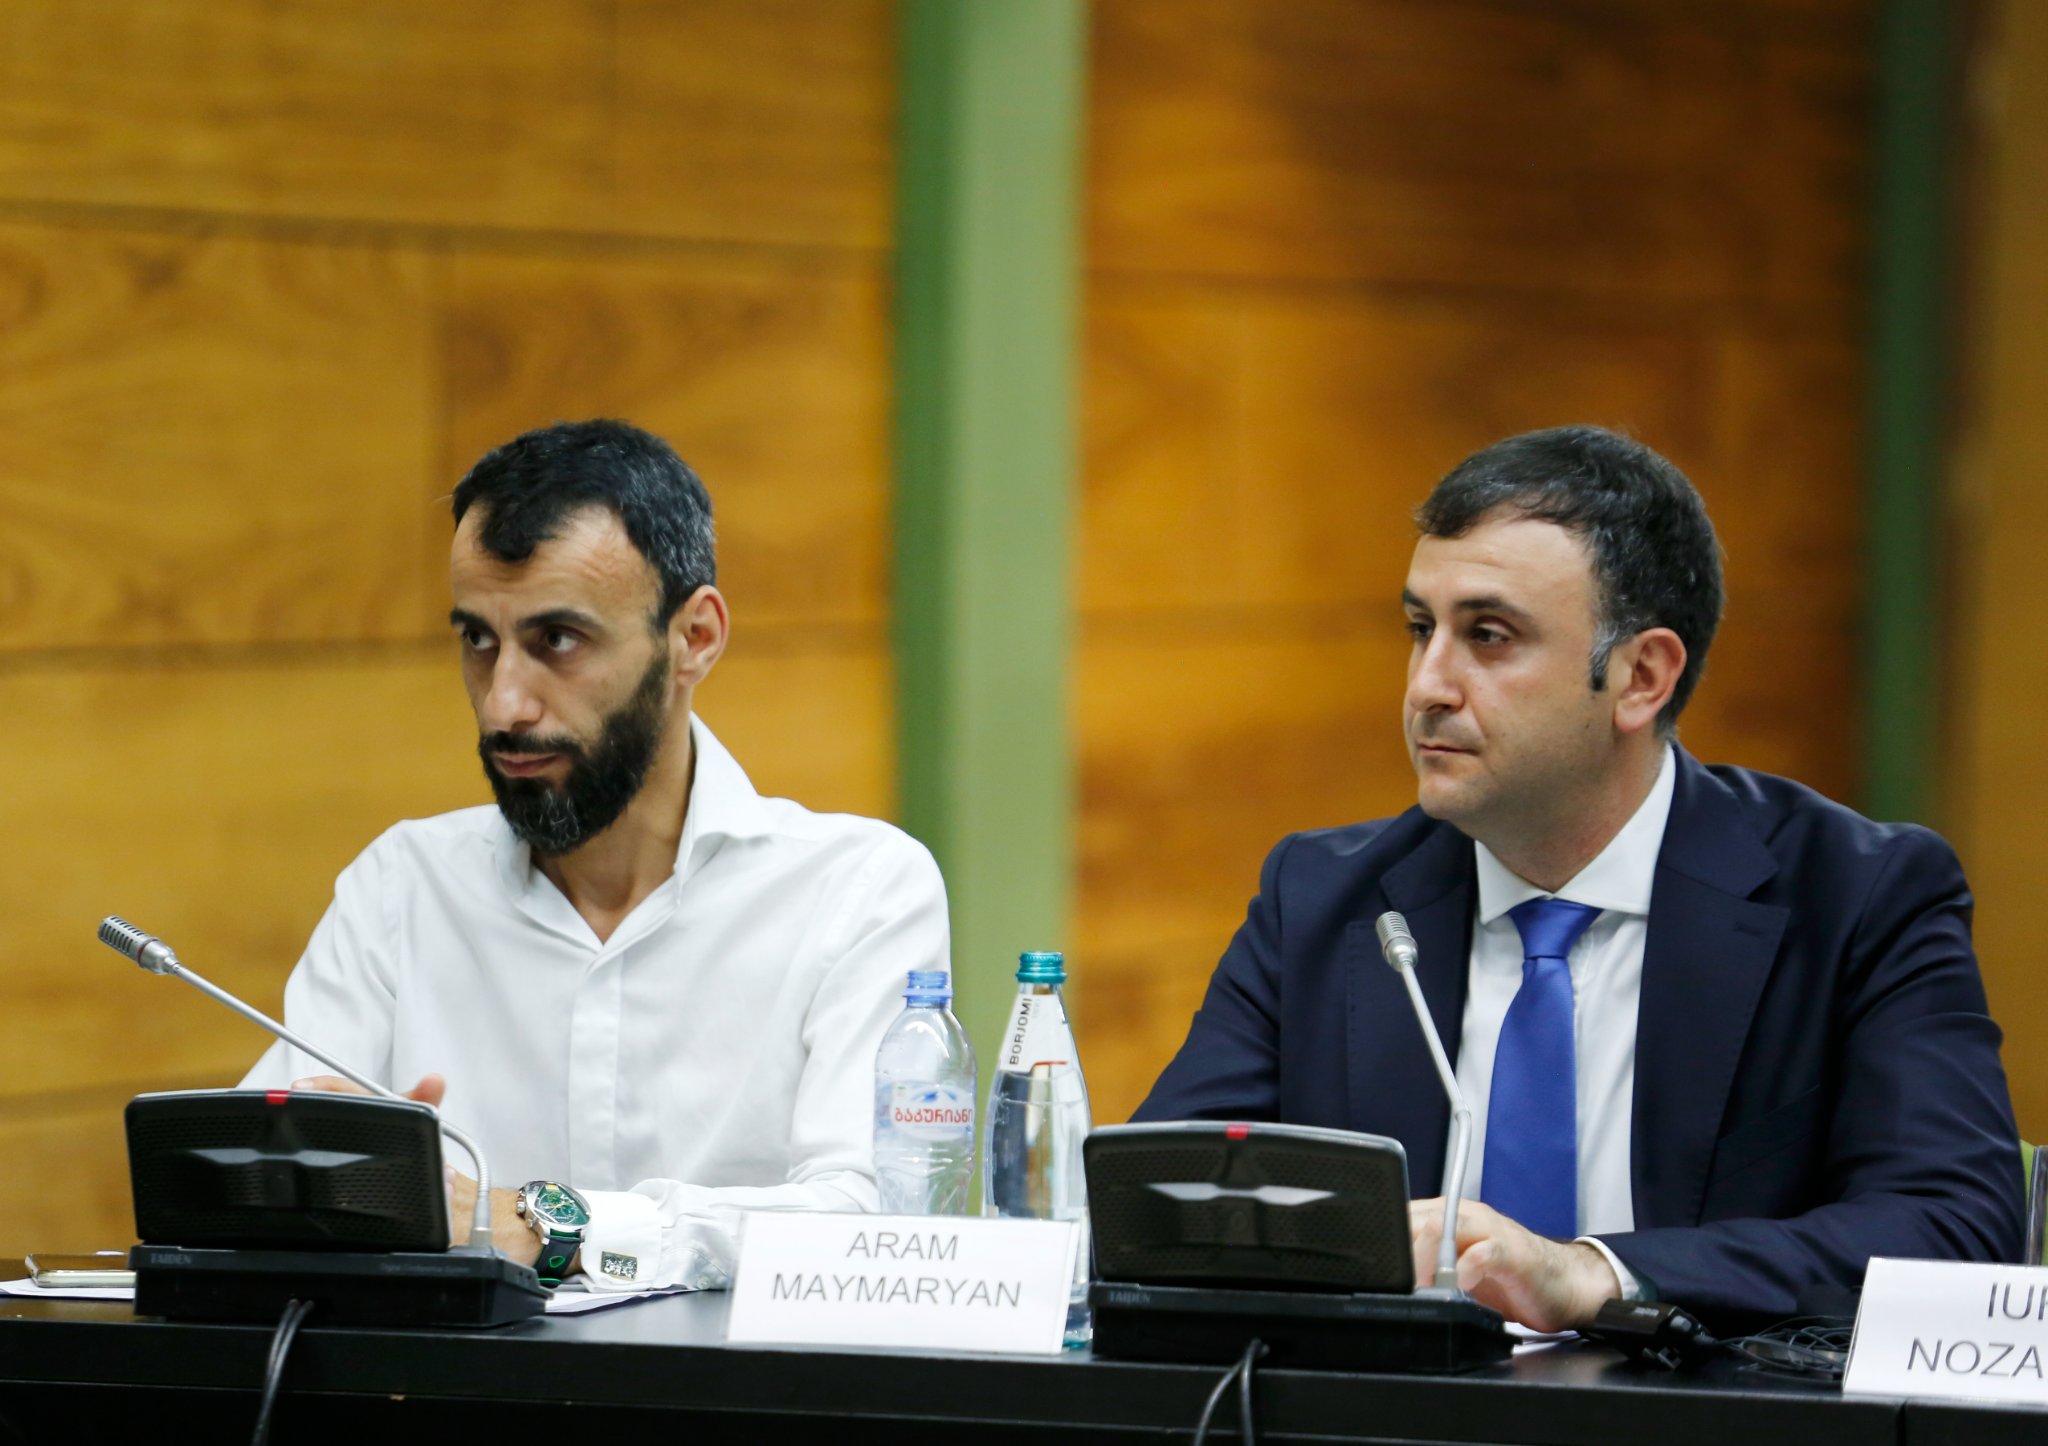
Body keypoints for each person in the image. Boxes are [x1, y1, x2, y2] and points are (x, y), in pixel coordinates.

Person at [1132, 425, 2022, 1330]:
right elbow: (1155, 1208)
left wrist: (1597, 1273)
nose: (1427, 686)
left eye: (1489, 636)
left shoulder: (1855, 897)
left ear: (1641, 677)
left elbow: (1954, 1228)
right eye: (1421, 629)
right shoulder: (1325, 900)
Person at [243, 419, 948, 1291]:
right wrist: (303, 1182)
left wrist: (553, 1227)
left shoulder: (859, 891)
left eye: (559, 641)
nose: (503, 704)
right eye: (478, 640)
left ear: (695, 638)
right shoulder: (401, 888)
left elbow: (877, 1221)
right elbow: (255, 1180)